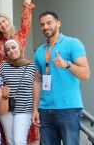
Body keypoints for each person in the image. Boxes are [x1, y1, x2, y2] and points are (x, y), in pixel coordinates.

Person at [31, 11, 90, 145]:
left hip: (68, 108)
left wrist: (67, 64)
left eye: (49, 23)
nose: (45, 27)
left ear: (58, 23)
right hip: (45, 110)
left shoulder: (73, 43)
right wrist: (35, 109)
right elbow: (37, 80)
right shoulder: (40, 51)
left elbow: (86, 74)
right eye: (42, 25)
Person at [0, 39, 35, 145]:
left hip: (25, 107)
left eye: (14, 47)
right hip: (6, 107)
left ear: (20, 48)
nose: (11, 51)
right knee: (10, 141)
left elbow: (37, 86)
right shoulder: (3, 65)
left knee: (19, 141)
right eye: (8, 50)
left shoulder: (32, 66)